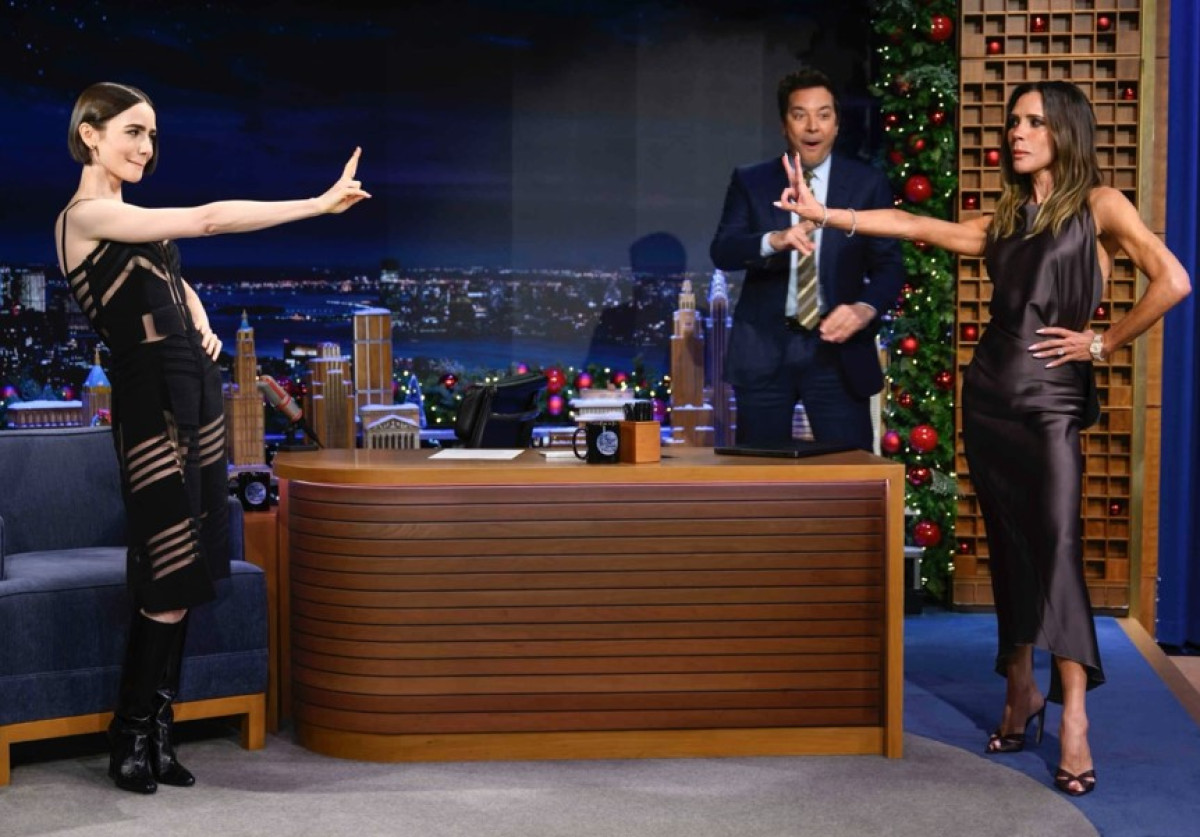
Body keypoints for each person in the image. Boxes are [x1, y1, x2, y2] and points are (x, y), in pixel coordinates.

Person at [776, 79, 1190, 796]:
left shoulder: (1102, 206)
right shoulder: (1004, 218)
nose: (1016, 134)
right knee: (1010, 547)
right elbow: (916, 225)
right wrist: (827, 213)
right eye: (1013, 122)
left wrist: (1103, 342)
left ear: (1065, 130)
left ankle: (1075, 717)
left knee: (1057, 546)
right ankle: (1020, 688)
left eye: (1032, 122)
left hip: (1053, 401)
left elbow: (1173, 280)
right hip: (991, 395)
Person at [55, 81, 369, 794]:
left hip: (194, 396)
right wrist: (317, 204)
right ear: (90, 134)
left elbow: (167, 277)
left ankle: (158, 732)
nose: (146, 147)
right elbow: (206, 219)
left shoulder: (134, 223)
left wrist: (195, 310)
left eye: (153, 135)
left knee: (189, 572)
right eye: (133, 131)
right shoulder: (87, 215)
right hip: (150, 404)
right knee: (165, 571)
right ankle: (130, 732)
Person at [710, 67, 905, 451]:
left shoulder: (867, 184)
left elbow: (890, 267)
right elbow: (723, 250)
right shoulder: (752, 181)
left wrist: (864, 308)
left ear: (837, 124)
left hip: (838, 352)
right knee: (761, 476)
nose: (812, 126)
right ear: (785, 125)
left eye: (823, 115)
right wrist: (774, 240)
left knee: (849, 473)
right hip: (764, 351)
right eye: (800, 115)